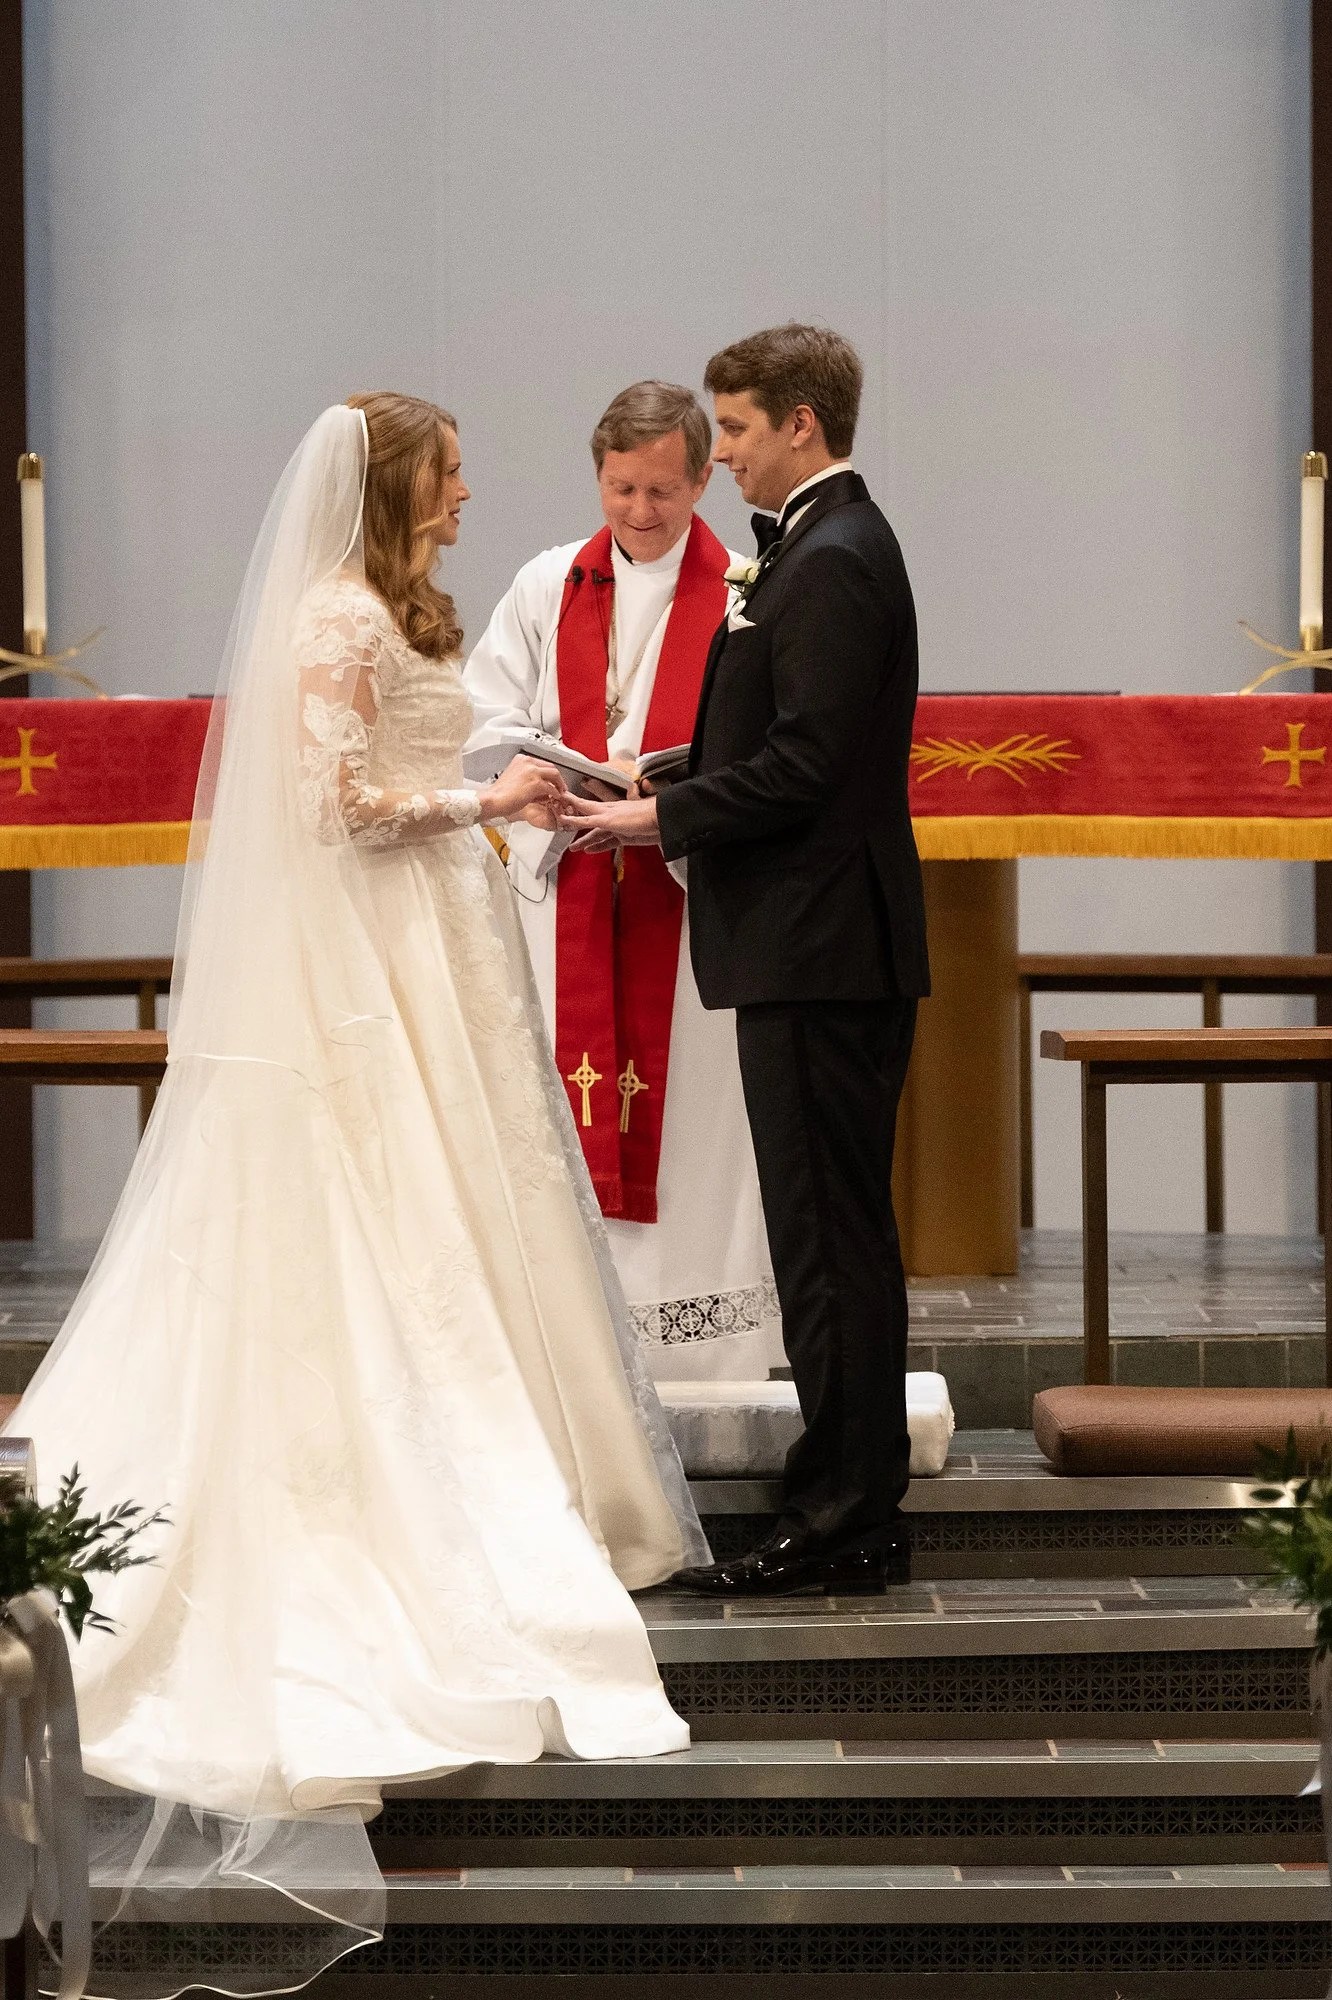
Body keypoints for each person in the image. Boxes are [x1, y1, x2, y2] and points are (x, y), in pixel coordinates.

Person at [5, 395, 706, 1992]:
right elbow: (329, 804)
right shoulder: (332, 613)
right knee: (390, 1229)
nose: (470, 493)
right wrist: (486, 799)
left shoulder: (395, 607)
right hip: (371, 959)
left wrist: (482, 769)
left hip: (432, 944)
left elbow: (395, 752)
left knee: (473, 1207)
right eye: (449, 471)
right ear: (396, 482)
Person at [561, 325, 929, 1598]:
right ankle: (844, 1483)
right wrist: (681, 773)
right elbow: (782, 742)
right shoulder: (818, 548)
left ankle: (845, 1513)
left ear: (802, 428)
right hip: (813, 941)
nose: (721, 454)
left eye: (732, 431)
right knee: (827, 1234)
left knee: (828, 1238)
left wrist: (662, 815)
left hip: (822, 947)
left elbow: (812, 766)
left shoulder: (830, 559)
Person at [463, 381, 780, 1381]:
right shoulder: (548, 583)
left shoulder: (745, 588)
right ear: (596, 476)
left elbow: (768, 743)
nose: (640, 512)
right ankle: (579, 1353)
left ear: (701, 480)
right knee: (560, 1101)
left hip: (687, 901)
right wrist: (535, 778)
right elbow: (487, 716)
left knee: (693, 1122)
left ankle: (703, 1357)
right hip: (570, 881)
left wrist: (675, 792)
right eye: (619, 488)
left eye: (661, 490)